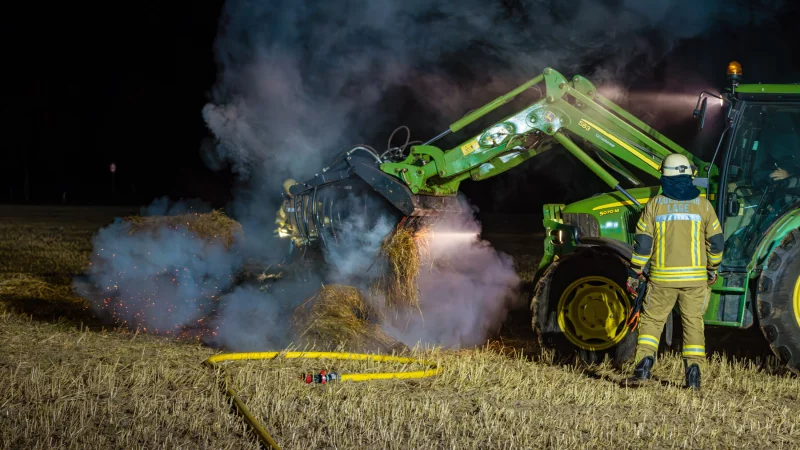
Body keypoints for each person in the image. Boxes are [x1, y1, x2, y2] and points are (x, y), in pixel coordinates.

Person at [625, 153, 724, 390]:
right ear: (690, 176)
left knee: (652, 322)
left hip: (662, 280)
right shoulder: (703, 206)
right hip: (694, 280)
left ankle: (643, 369)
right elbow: (717, 243)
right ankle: (693, 376)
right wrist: (713, 268)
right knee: (693, 323)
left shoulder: (655, 205)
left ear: (665, 177)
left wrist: (635, 271)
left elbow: (643, 245)